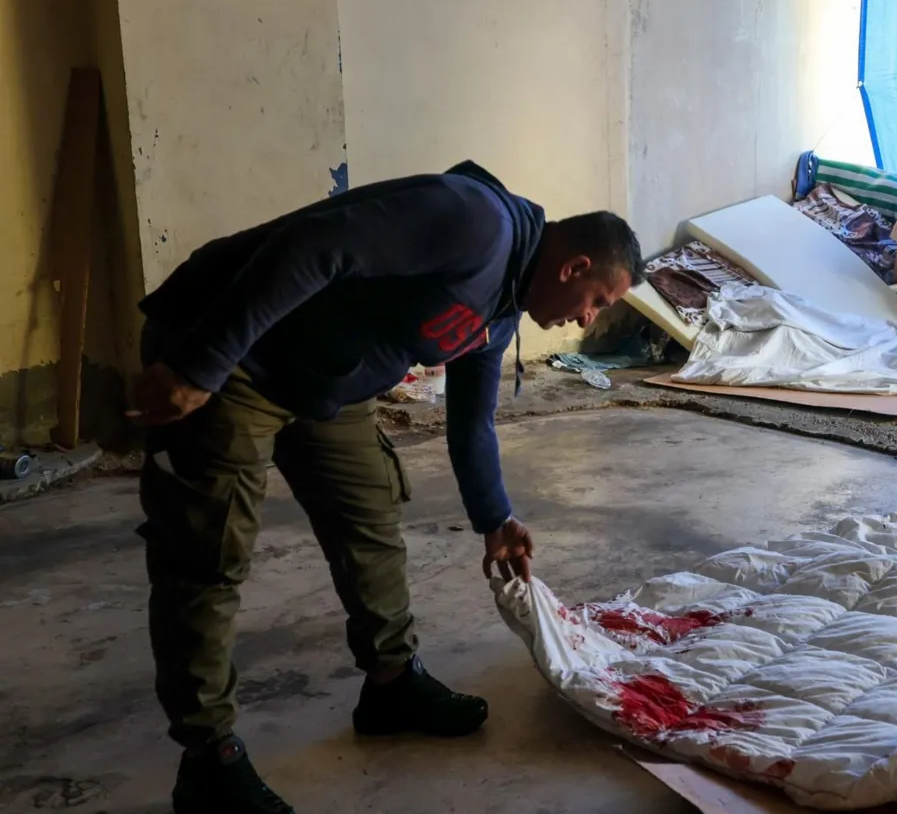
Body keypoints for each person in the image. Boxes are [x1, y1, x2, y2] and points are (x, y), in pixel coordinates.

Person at [130, 161, 644, 814]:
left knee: (370, 524)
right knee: (208, 552)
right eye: (598, 302)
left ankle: (393, 685)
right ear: (573, 268)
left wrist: (496, 518)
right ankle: (208, 759)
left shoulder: (503, 309)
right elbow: (311, 246)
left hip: (327, 384)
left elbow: (471, 418)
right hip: (237, 361)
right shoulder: (471, 221)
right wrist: (201, 362)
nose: (587, 321)